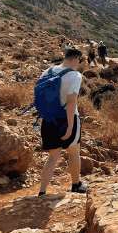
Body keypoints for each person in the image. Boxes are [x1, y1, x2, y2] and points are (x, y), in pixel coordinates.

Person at [37, 47, 87, 196]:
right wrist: (70, 126)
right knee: (74, 152)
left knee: (53, 157)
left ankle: (42, 191)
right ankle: (76, 185)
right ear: (76, 58)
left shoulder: (47, 72)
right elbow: (71, 102)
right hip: (67, 119)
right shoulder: (75, 76)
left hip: (49, 119)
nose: (79, 64)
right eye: (79, 61)